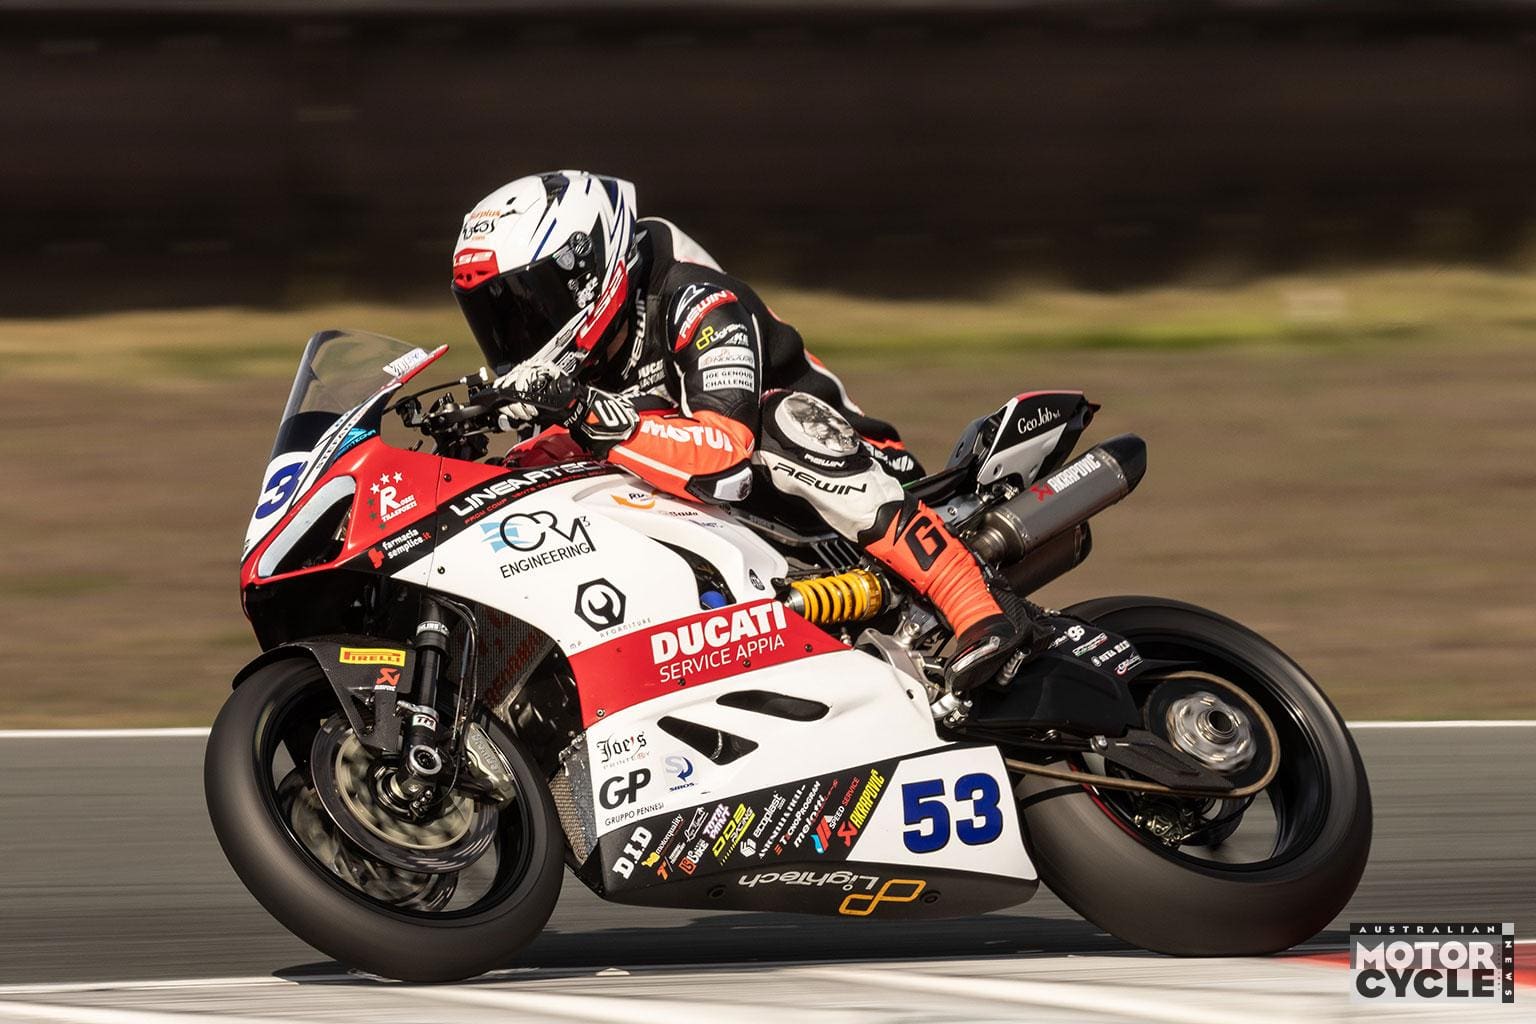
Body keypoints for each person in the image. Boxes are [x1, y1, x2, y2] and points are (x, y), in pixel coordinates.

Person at [451, 170, 1043, 691]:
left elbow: (724, 456)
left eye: (528, 307)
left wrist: (583, 411)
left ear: (587, 269)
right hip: (754, 523)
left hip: (855, 476)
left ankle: (979, 604)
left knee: (784, 420)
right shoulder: (581, 365)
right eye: (498, 319)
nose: (518, 337)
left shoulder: (697, 299)